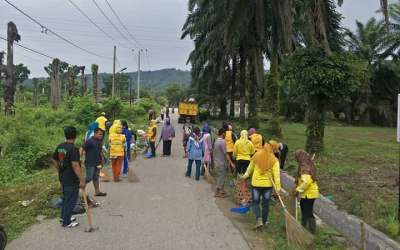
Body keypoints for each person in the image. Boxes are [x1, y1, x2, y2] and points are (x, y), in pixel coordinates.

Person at [241, 143, 281, 229]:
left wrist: (244, 176)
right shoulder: (274, 160)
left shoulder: (256, 155)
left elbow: (249, 169)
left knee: (255, 202)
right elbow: (276, 176)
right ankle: (264, 221)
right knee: (265, 204)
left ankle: (259, 219)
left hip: (256, 184)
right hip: (268, 186)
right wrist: (278, 189)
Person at [53, 126, 85, 228]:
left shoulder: (60, 146)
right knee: (71, 200)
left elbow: (54, 160)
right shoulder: (73, 149)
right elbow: (75, 165)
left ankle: (64, 217)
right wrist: (81, 180)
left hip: (62, 176)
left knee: (66, 198)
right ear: (75, 136)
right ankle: (66, 222)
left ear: (65, 135)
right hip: (71, 178)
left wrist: (59, 169)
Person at [294, 150, 319, 234]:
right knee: (304, 209)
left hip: (310, 194)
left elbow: (306, 182)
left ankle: (312, 231)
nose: (296, 159)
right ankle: (303, 227)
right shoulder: (307, 164)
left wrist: (298, 190)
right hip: (307, 193)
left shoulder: (305, 168)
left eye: (297, 157)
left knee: (308, 211)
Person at [81, 128, 107, 196]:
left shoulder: (99, 141)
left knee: (96, 177)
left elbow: (100, 152)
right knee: (89, 178)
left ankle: (97, 192)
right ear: (95, 133)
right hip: (90, 163)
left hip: (98, 163)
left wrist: (102, 160)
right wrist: (79, 158)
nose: (101, 136)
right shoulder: (89, 141)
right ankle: (78, 186)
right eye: (99, 134)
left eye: (101, 134)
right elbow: (82, 148)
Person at [214, 128, 235, 197]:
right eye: (225, 133)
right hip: (221, 163)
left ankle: (221, 191)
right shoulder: (222, 142)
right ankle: (217, 192)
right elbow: (226, 154)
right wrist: (231, 163)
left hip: (217, 162)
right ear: (223, 133)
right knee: (221, 177)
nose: (226, 135)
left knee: (220, 176)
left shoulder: (216, 141)